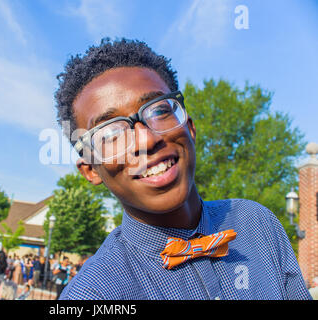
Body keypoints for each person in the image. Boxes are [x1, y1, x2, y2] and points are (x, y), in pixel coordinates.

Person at [54, 38, 311, 300]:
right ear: (91, 170)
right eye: (110, 134)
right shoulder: (93, 295)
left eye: (159, 110)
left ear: (189, 128)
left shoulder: (258, 224)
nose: (146, 139)